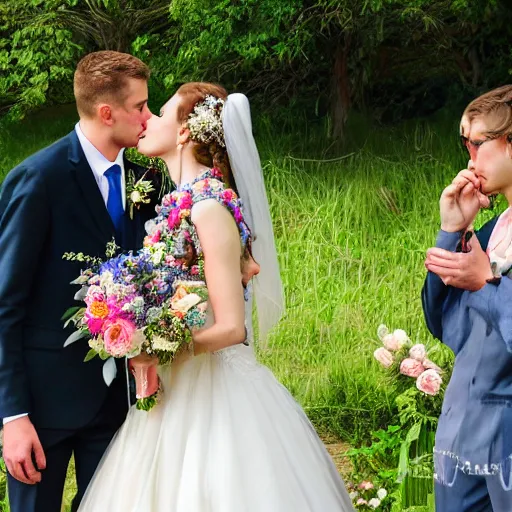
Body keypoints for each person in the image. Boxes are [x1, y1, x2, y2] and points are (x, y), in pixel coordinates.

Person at [77, 82, 356, 511]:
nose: (148, 118)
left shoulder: (209, 208)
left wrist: (160, 349)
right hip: (176, 386)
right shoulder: (181, 203)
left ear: (186, 131)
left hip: (213, 390)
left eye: (161, 111)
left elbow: (230, 327)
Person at [0, 50, 167, 512]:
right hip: (43, 409)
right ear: (106, 111)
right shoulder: (38, 179)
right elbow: (5, 304)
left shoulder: (147, 183)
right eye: (140, 107)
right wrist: (12, 417)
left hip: (120, 405)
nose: (148, 117)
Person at [422, 85, 512, 511]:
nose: (469, 160)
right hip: (462, 430)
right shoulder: (492, 231)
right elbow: (445, 325)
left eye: (476, 144)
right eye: (465, 145)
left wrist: (486, 281)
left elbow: (487, 290)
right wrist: (451, 230)